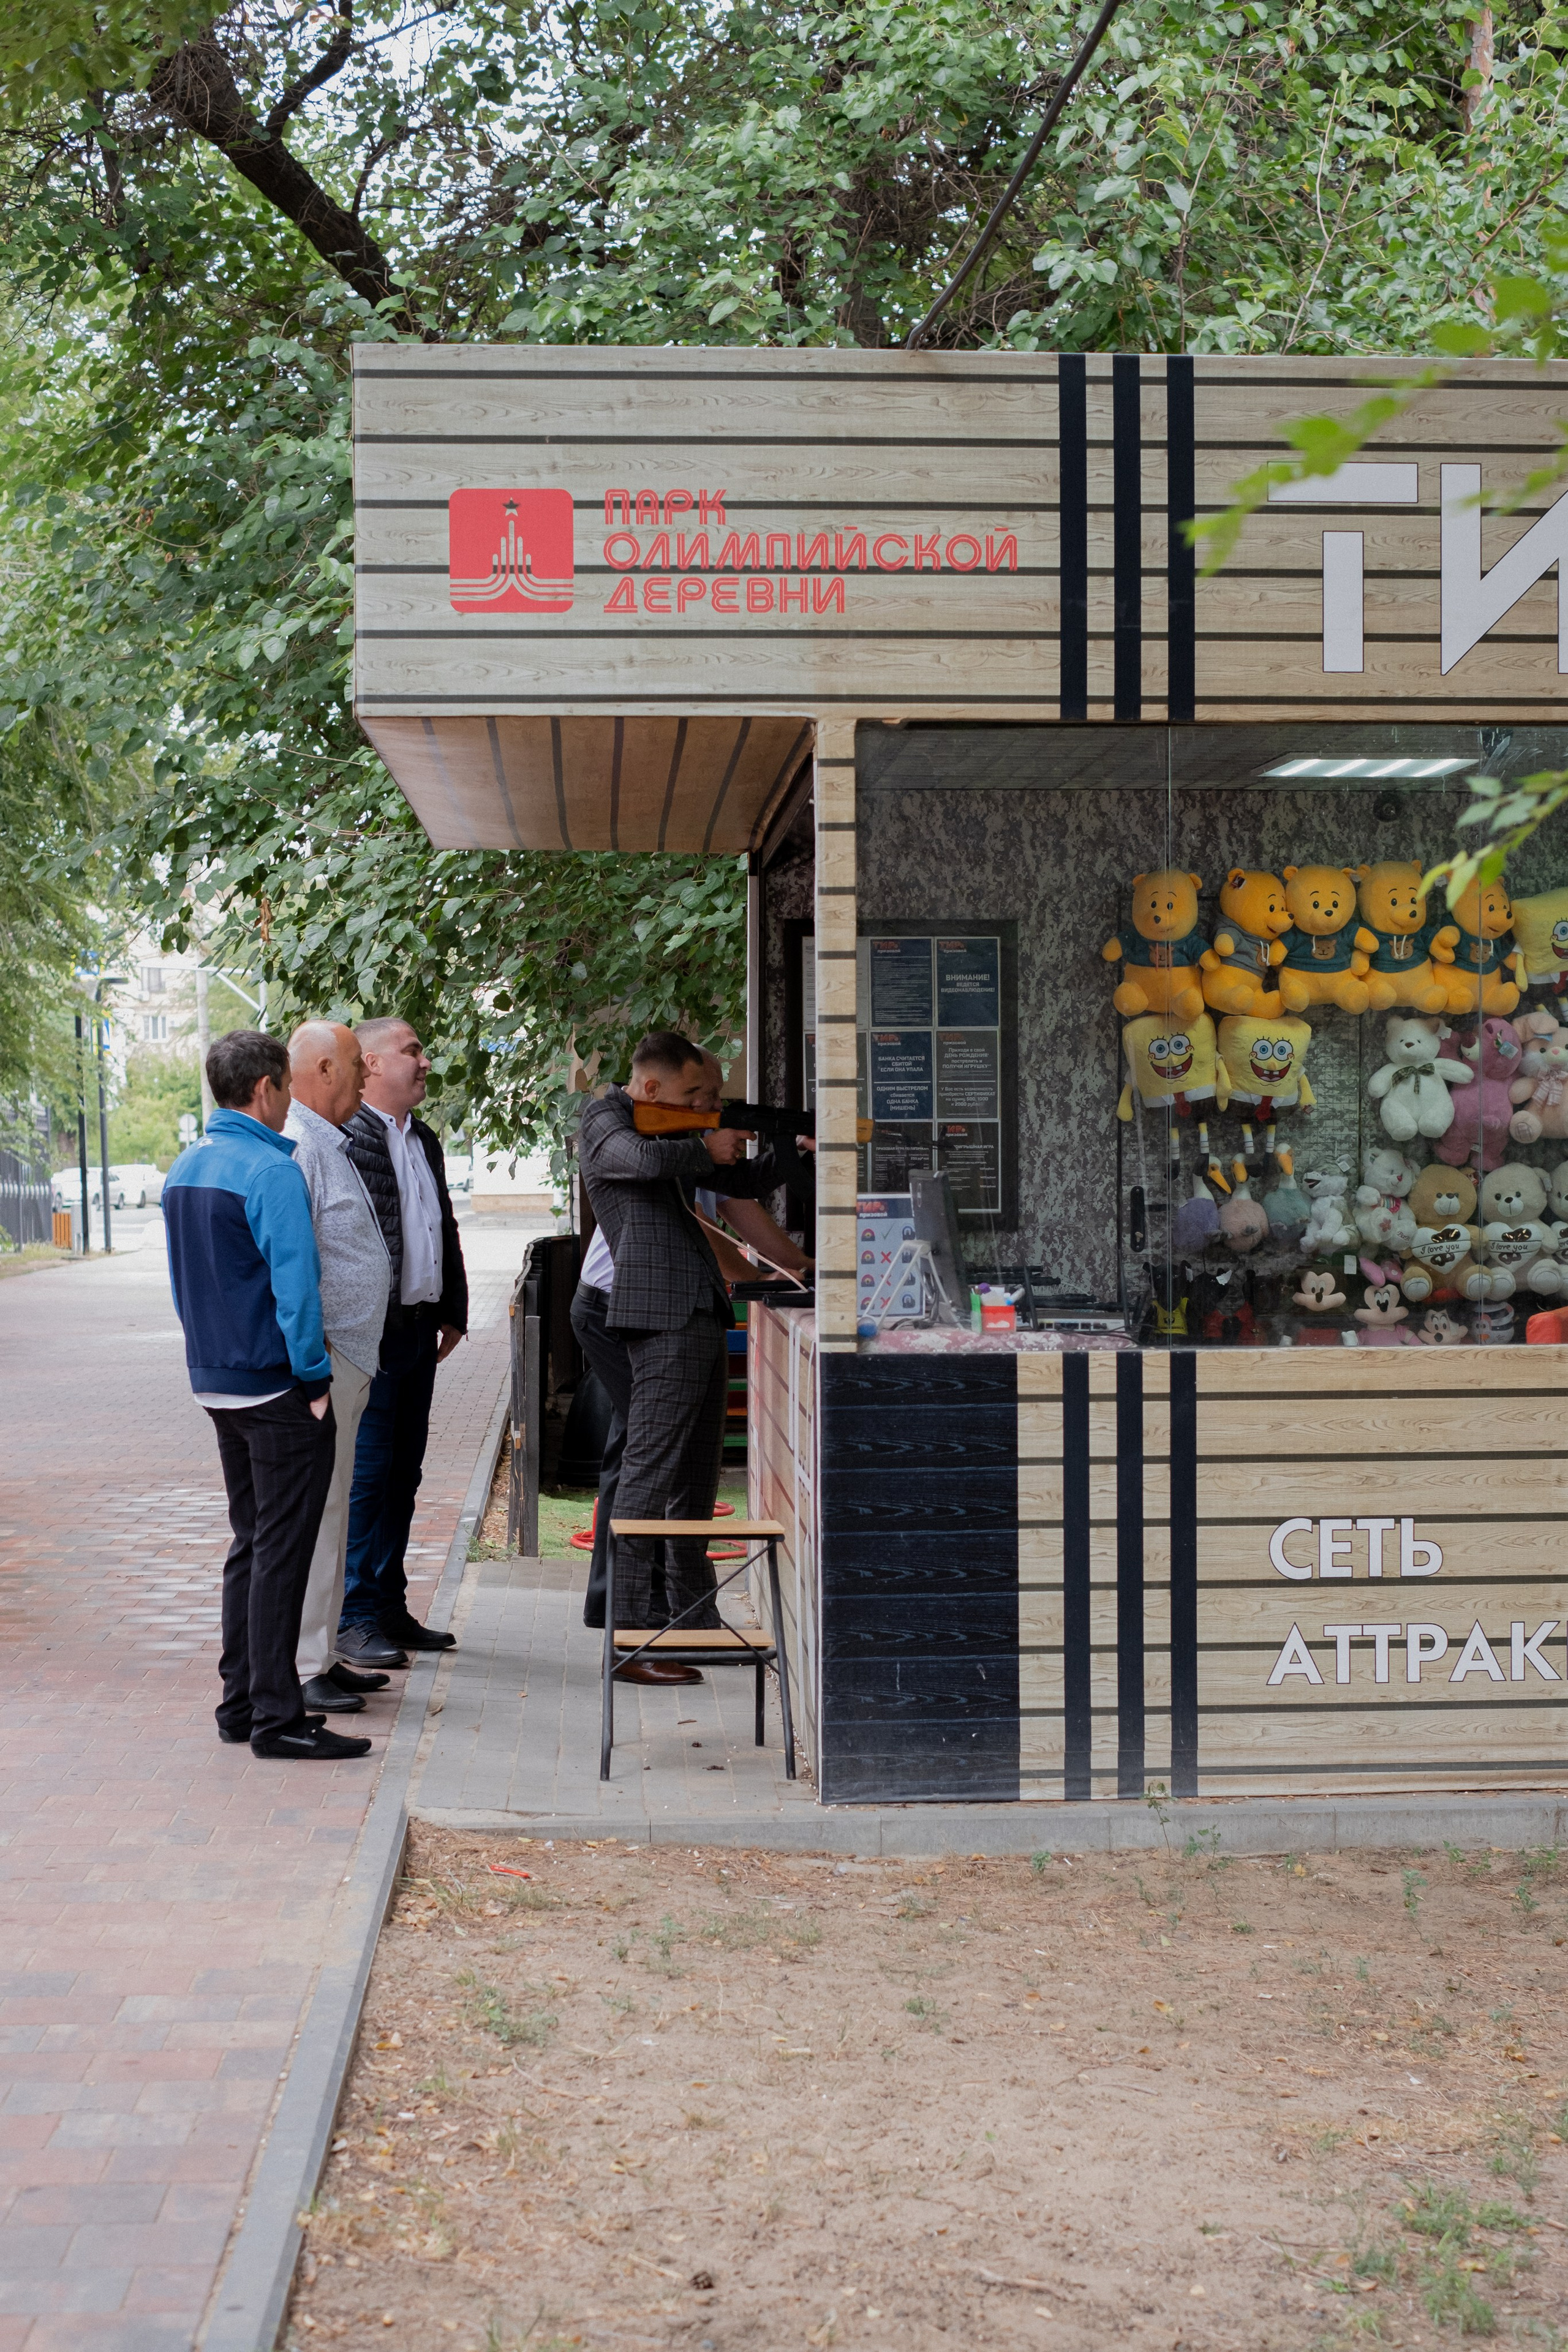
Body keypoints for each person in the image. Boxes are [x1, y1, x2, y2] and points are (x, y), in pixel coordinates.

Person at [162, 1030, 371, 1762]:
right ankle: (278, 1719)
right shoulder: (270, 1170)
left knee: (251, 1544)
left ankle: (241, 1703)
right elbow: (297, 1291)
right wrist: (314, 1378)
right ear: (265, 1089)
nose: (287, 1103)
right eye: (284, 1088)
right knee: (282, 1549)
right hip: (277, 1386)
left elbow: (187, 1286)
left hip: (216, 1383)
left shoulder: (185, 1167)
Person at [570, 1052, 811, 1667]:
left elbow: (746, 1186)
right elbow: (642, 1160)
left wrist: (792, 1150)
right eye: (697, 1094)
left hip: (697, 1312)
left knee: (696, 1480)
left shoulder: (676, 1133)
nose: (707, 1106)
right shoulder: (608, 1120)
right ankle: (631, 1640)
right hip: (659, 1317)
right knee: (649, 1477)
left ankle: (690, 1618)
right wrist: (709, 1140)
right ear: (652, 1085)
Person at [337, 1017, 469, 1668]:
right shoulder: (347, 1140)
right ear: (368, 1064)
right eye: (411, 1051)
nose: (423, 1062)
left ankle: (387, 1605)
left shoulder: (425, 1140)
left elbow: (438, 1226)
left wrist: (454, 1309)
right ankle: (353, 1614)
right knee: (368, 1477)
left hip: (419, 1329)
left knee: (403, 1474)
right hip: (374, 1336)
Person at [284, 1020, 394, 1716]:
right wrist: (316, 1363)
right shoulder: (301, 1144)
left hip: (350, 1357)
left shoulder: (329, 1139)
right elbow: (294, 1264)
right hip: (329, 1361)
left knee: (336, 1507)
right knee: (319, 1514)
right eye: (358, 1063)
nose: (366, 1073)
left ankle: (323, 1653)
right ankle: (303, 1664)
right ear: (324, 1069)